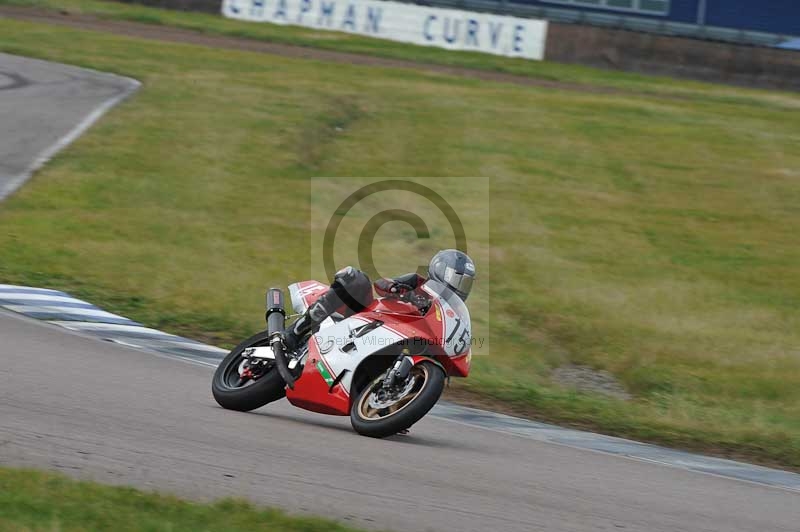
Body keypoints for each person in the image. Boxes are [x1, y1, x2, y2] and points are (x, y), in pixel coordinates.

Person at [283, 249, 476, 352]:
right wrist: (397, 288)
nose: (459, 286)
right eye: (457, 278)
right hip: (372, 320)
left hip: (399, 342)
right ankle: (297, 330)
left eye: (465, 282)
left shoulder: (452, 314)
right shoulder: (417, 282)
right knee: (355, 278)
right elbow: (381, 284)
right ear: (440, 270)